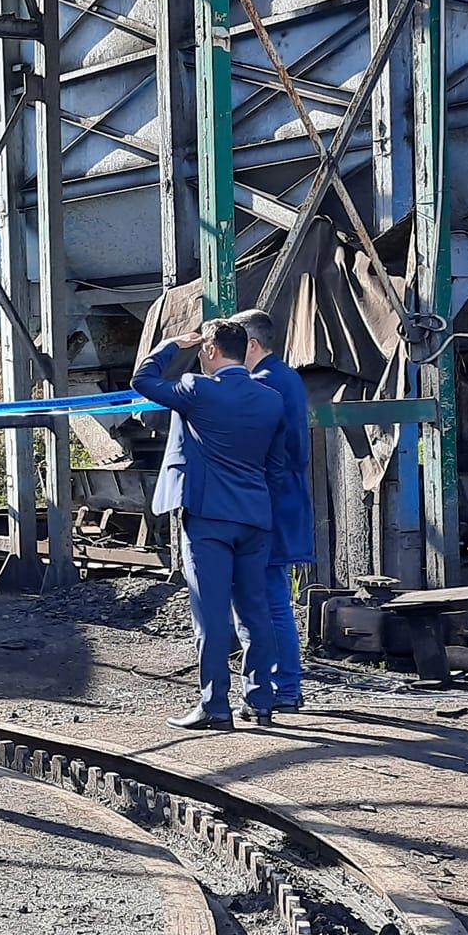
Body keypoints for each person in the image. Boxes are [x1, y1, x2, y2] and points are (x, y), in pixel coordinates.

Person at [132, 319, 291, 731]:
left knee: (212, 616)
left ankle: (214, 705)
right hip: (256, 517)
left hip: (209, 521)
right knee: (256, 612)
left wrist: (171, 344)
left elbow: (143, 380)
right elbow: (276, 467)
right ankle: (260, 701)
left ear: (211, 352)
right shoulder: (271, 400)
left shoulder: (198, 390)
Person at [231, 309, 313, 724]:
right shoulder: (287, 378)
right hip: (283, 501)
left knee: (268, 600)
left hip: (268, 505)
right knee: (274, 597)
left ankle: (285, 687)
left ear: (252, 345)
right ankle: (288, 686)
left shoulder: (263, 385)